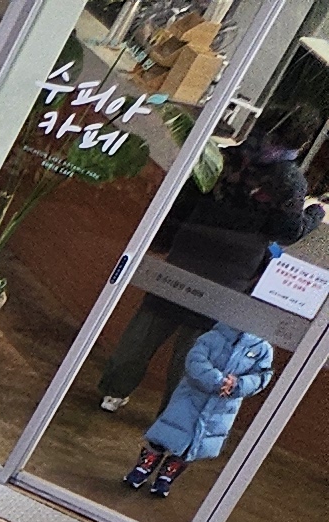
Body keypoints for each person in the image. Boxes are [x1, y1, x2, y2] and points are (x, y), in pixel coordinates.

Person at [99, 121, 318, 410]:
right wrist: (314, 215)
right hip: (231, 272)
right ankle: (170, 415)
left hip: (187, 253)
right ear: (299, 145)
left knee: (146, 328)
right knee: (196, 350)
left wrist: (164, 240)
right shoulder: (289, 180)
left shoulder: (222, 157)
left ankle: (113, 393)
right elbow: (286, 231)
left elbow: (183, 202)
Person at [128, 316, 277, 492]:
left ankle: (167, 475)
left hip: (222, 407)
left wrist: (238, 385)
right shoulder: (214, 336)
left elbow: (262, 376)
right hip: (191, 397)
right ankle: (144, 466)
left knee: (195, 444)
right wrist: (217, 380)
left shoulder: (263, 348)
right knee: (166, 432)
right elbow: (195, 360)